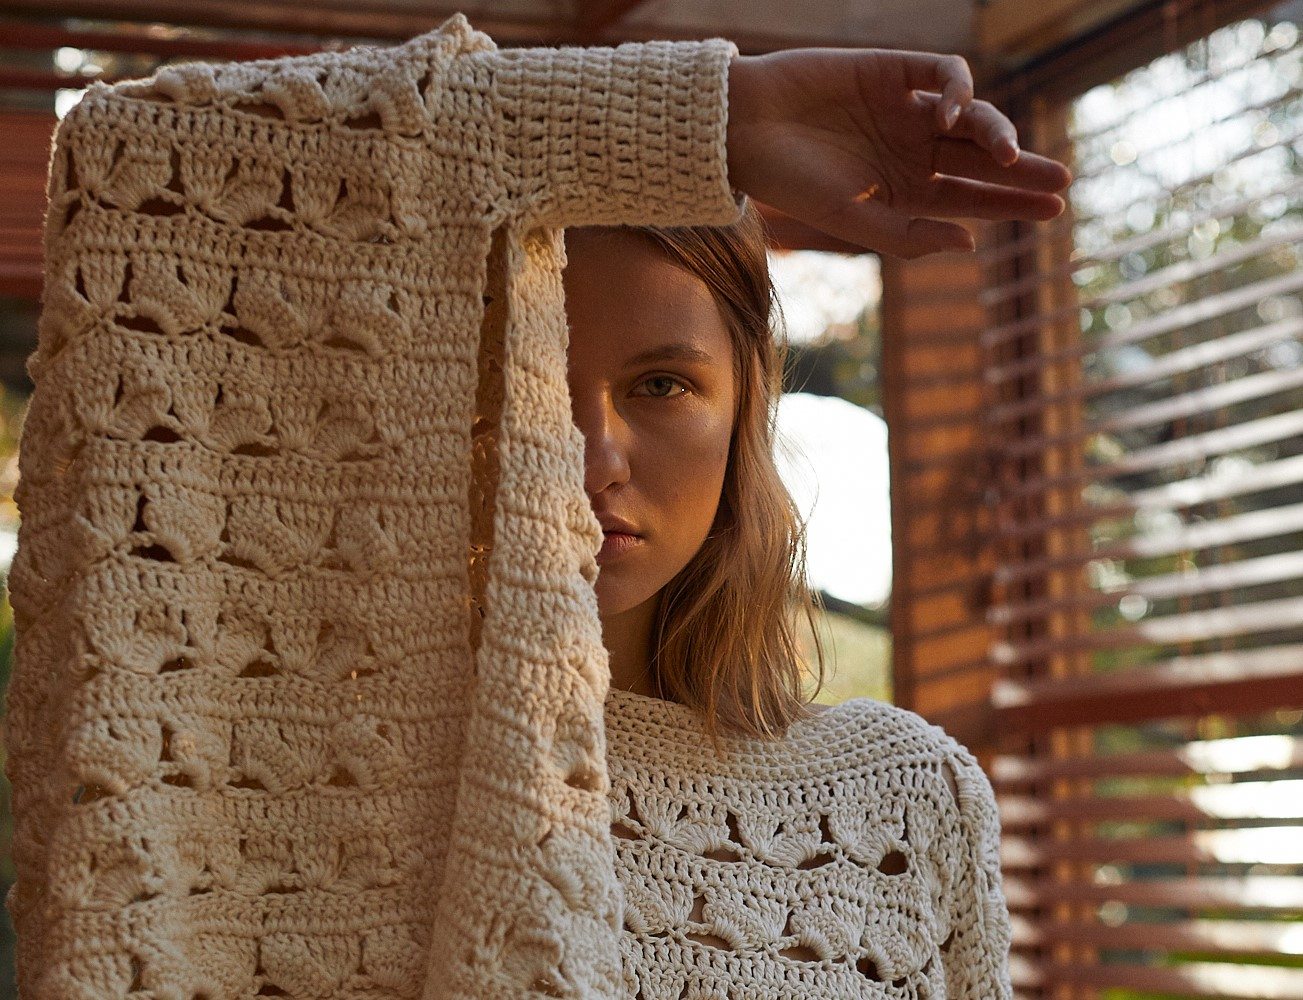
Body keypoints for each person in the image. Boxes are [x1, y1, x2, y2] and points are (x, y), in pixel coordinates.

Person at [7, 13, 1069, 998]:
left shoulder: (903, 805)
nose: (588, 457)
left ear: (744, 406)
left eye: (661, 384)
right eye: (523, 392)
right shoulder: (301, 780)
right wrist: (717, 116)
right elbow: (135, 161)